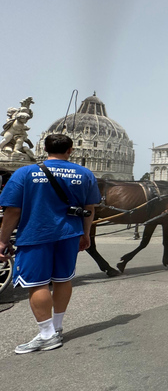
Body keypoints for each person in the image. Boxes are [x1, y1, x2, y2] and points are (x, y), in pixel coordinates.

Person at [0, 134, 99, 354]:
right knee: (63, 279)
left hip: (36, 234)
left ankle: (46, 336)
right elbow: (89, 208)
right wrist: (86, 233)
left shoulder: (25, 173)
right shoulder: (84, 174)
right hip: (69, 234)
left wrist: (2, 240)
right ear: (70, 150)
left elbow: (13, 210)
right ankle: (56, 326)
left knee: (37, 284)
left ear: (44, 149)